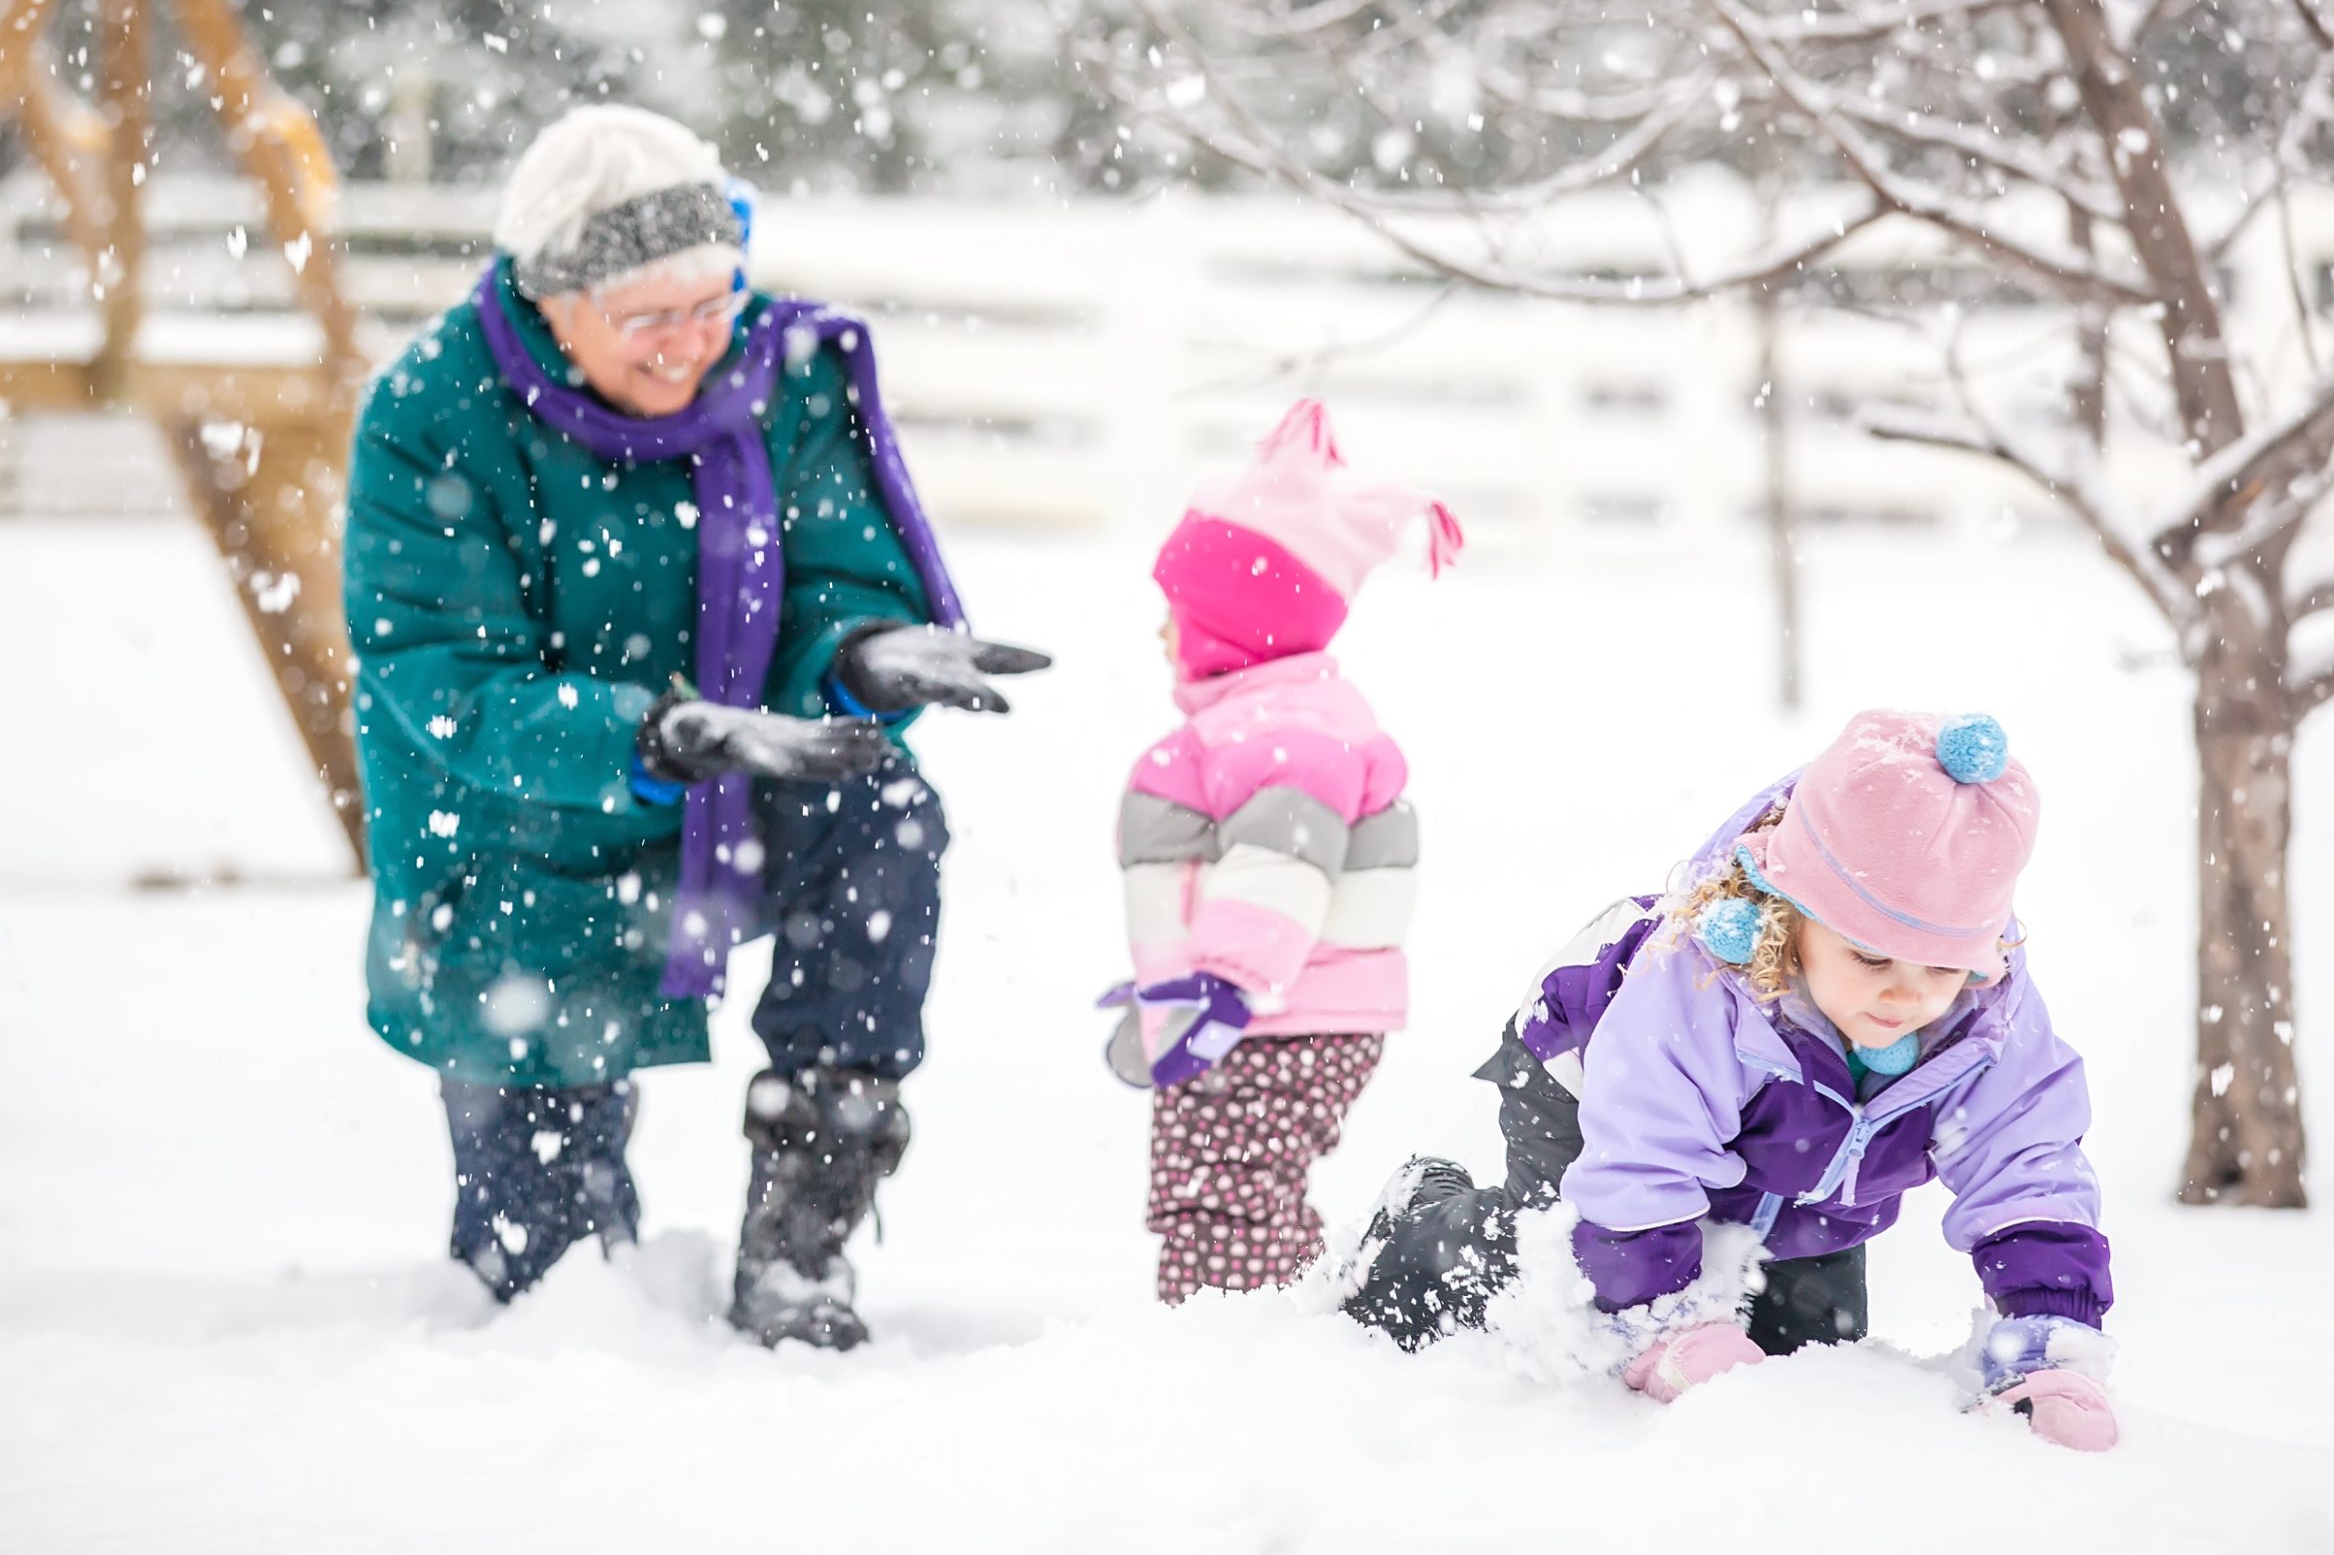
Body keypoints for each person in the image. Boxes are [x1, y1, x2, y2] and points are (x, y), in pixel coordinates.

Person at [343, 104, 1046, 1348]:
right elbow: (445, 677)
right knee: (542, 1291)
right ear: (551, 301)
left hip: (744, 778)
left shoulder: (783, 375)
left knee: (881, 809)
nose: (692, 345)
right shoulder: (432, 412)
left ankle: (803, 1232)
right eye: (648, 317)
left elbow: (833, 572)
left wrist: (862, 655)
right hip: (520, 828)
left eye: (714, 300)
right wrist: (656, 738)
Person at [1342, 709, 2120, 1451]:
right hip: (1591, 1101)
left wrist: (2045, 1336)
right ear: (1794, 917)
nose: (1907, 995)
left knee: (1798, 1358)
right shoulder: (1707, 990)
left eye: (1942, 966)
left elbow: (2028, 1167)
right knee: (1561, 1283)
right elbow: (1640, 1169)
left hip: (1802, 1182)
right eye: (1871, 957)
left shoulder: (1985, 1021)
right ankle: (1414, 1233)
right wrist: (1666, 1322)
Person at [1099, 400, 1460, 1303]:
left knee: (1224, 1195)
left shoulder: (1286, 726)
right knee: (1223, 1189)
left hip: (1277, 1013)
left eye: (1173, 611)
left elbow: (1283, 861)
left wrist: (1223, 981)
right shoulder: (1262, 719)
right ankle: (1261, 1339)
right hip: (1267, 1007)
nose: (1159, 632)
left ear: (1232, 623)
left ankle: (1237, 1349)